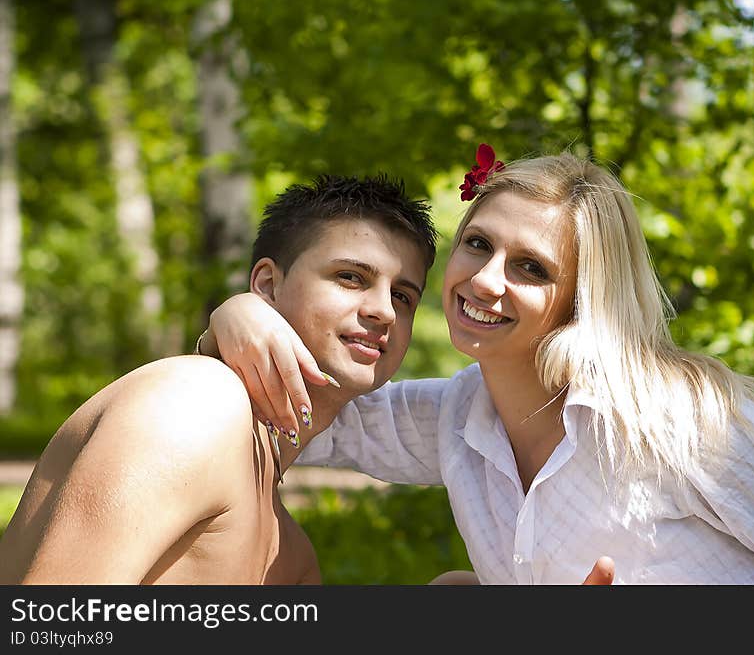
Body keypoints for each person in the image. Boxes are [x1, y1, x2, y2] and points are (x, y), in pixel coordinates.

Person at [201, 146, 754, 584]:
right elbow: (286, 414)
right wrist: (240, 318)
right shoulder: (453, 416)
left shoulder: (683, 418)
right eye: (477, 245)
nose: (485, 280)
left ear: (581, 300)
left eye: (531, 267)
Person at [0, 174, 440, 584]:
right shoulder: (197, 404)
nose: (383, 310)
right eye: (350, 276)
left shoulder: (291, 556)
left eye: (402, 296)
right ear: (267, 285)